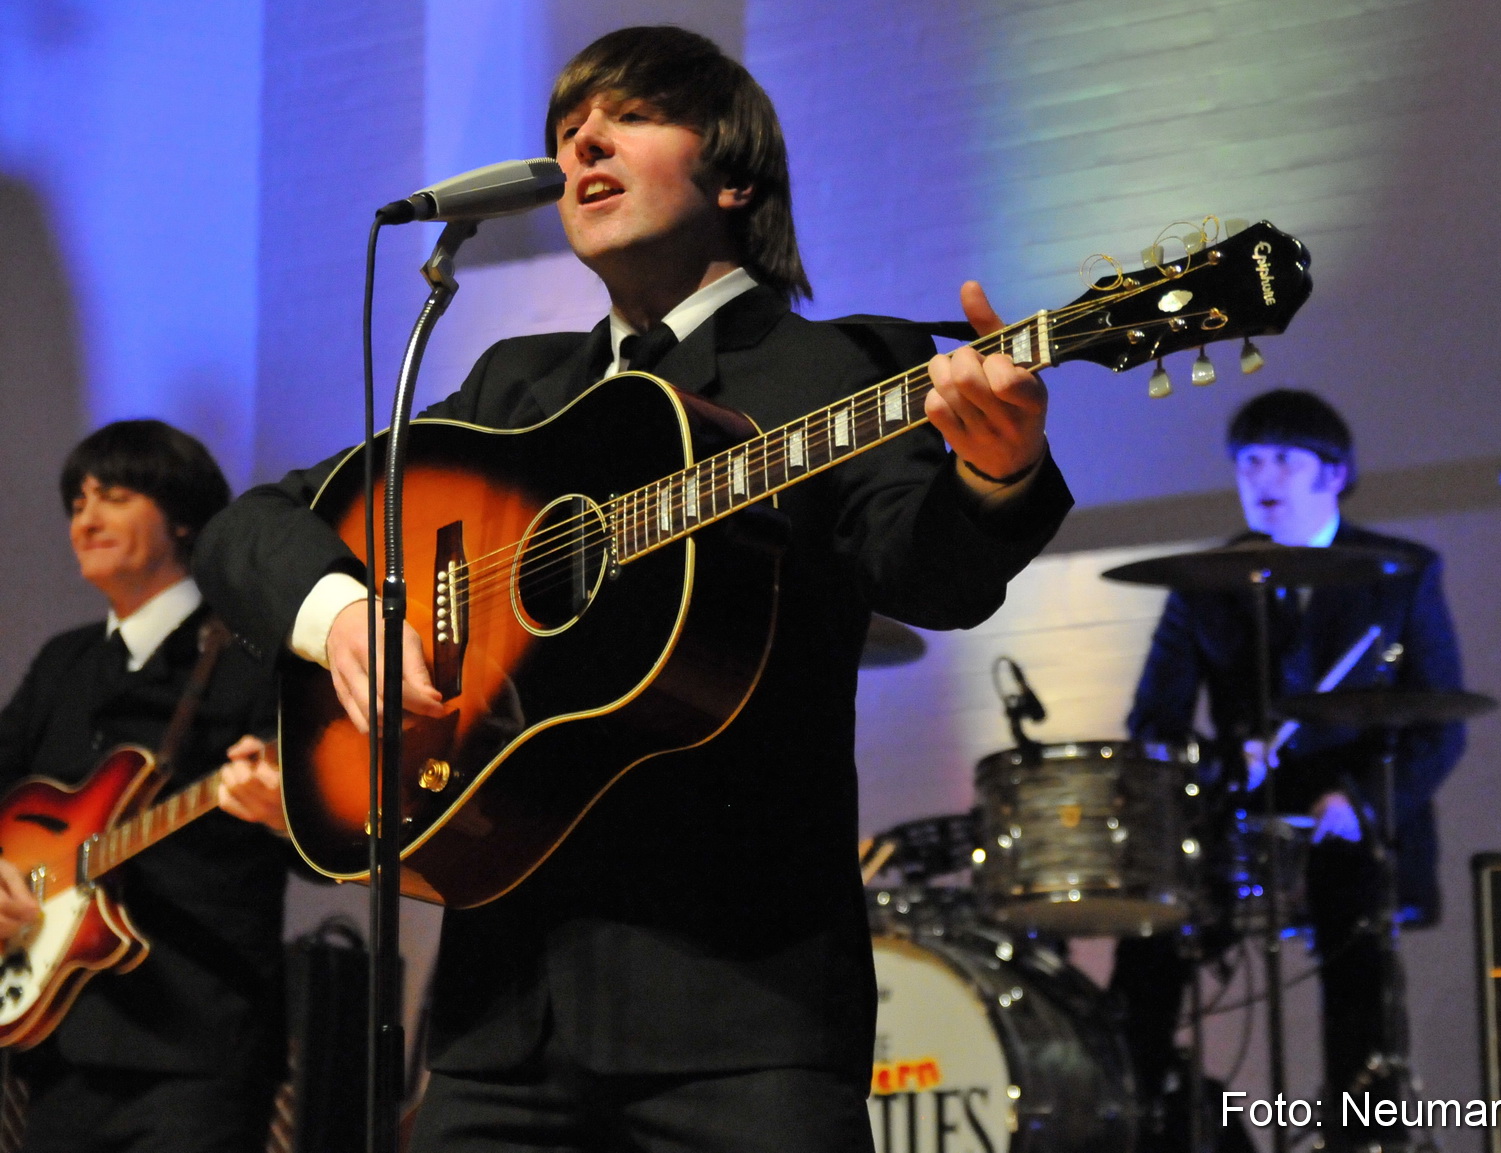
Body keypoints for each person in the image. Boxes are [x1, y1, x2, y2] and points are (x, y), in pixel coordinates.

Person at [193, 26, 1071, 1153]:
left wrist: (997, 471)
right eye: (566, 129)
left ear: (734, 174)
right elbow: (247, 527)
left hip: (741, 1016)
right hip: (499, 1026)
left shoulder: (835, 372)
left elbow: (929, 572)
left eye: (629, 115)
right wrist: (343, 614)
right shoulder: (513, 391)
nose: (583, 142)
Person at [1113, 389, 1465, 1153]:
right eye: (1246, 462)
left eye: (1280, 458)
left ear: (1333, 473)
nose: (1259, 476)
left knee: (1356, 945)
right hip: (1238, 813)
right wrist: (1219, 758)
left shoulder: (1399, 574)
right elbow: (1153, 721)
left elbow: (1437, 723)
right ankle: (1135, 1111)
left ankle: (1359, 1129)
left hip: (1351, 813)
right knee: (1146, 934)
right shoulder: (1203, 581)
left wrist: (1364, 802)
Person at [0, 419, 292, 1152]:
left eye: (115, 495)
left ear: (184, 516)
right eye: (76, 503)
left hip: (199, 1046)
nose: (86, 518)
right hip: (60, 1046)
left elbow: (317, 835)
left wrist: (285, 806)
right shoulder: (64, 664)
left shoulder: (253, 657)